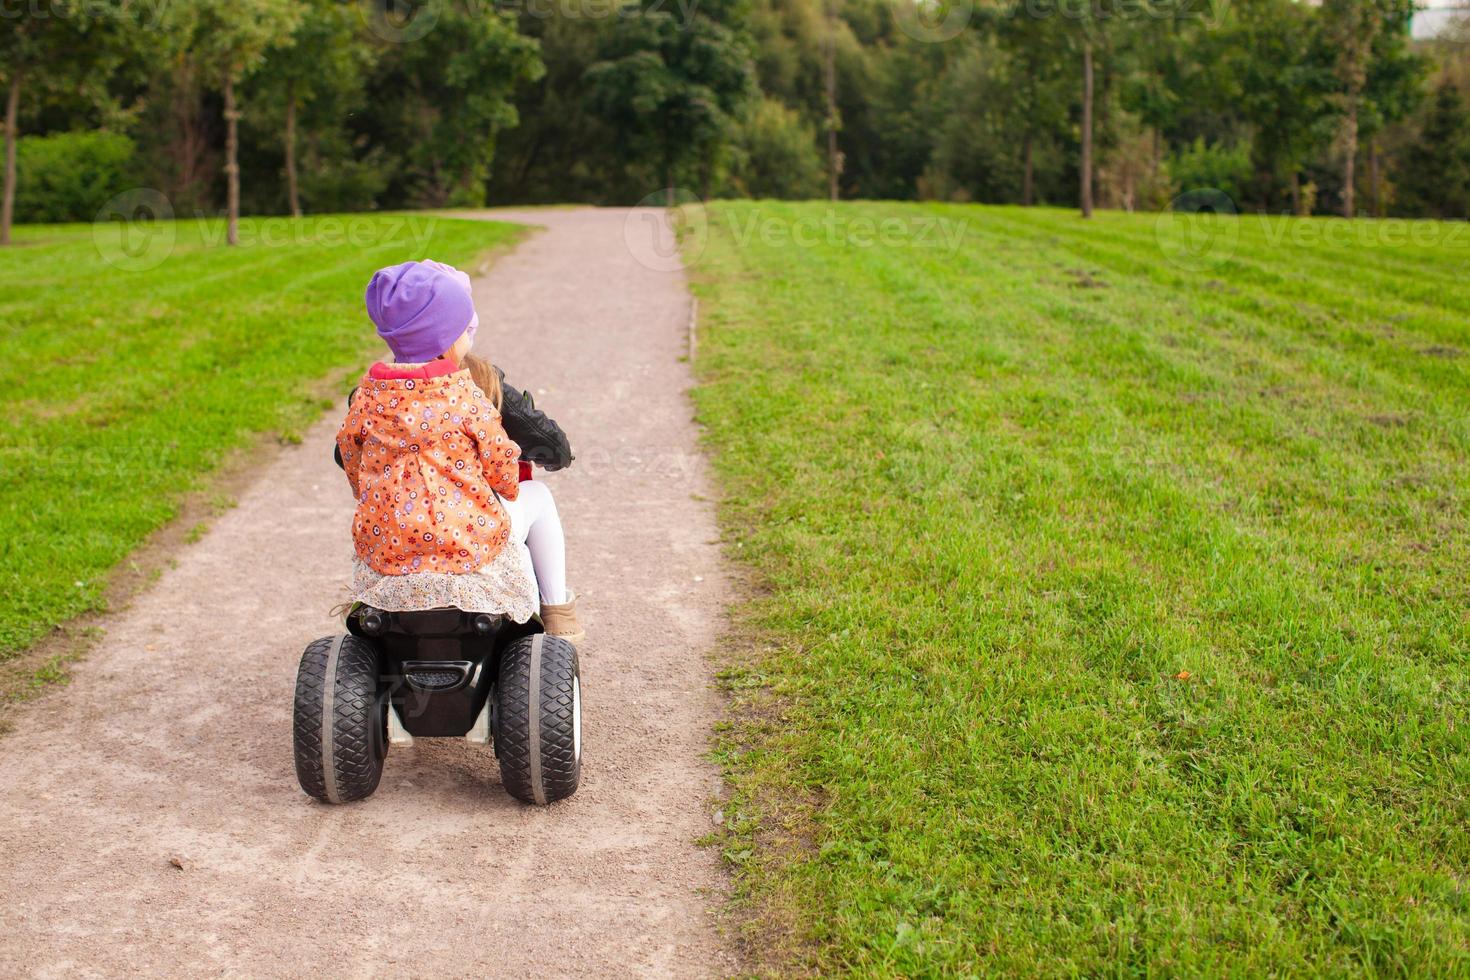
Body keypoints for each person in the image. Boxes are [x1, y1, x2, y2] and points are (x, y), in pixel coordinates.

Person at [335, 259, 584, 642]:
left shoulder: (369, 395)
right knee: (539, 497)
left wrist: (367, 487)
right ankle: (557, 612)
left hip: (389, 541)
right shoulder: (468, 392)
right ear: (453, 333)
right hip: (465, 537)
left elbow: (347, 456)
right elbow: (500, 455)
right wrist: (506, 487)